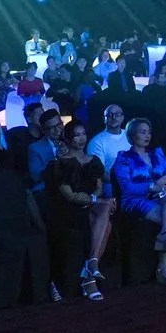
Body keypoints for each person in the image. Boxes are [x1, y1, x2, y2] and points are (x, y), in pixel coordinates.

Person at [42, 120, 111, 301]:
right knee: (104, 212)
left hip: (90, 205)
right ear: (69, 137)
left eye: (83, 134)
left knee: (105, 211)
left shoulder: (93, 161)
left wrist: (94, 200)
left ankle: (91, 266)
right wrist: (95, 200)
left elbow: (98, 187)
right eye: (77, 135)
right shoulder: (61, 164)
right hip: (68, 209)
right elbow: (70, 196)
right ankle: (90, 273)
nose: (81, 139)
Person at [110, 118, 166, 285]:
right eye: (142, 132)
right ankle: (163, 267)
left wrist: (165, 178)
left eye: (148, 132)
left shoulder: (156, 153)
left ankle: (163, 236)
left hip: (158, 195)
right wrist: (153, 187)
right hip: (135, 200)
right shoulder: (124, 158)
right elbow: (127, 188)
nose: (147, 135)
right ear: (132, 135)